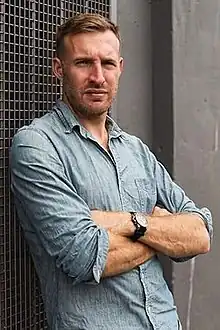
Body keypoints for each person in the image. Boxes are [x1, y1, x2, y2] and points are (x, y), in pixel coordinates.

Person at [10, 13, 212, 330]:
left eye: (107, 63)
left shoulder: (135, 150)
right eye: (83, 63)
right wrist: (162, 230)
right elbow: (86, 257)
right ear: (58, 69)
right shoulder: (37, 146)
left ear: (120, 68)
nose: (97, 76)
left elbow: (200, 234)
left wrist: (128, 223)